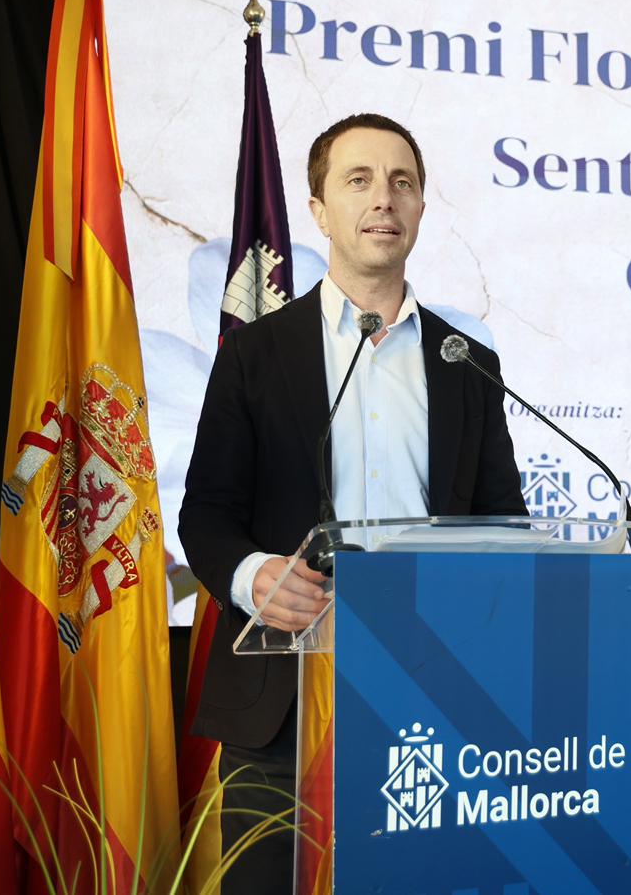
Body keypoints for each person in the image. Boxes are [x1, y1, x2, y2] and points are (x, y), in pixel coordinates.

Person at [178, 112, 528, 894]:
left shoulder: (467, 364)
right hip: (281, 709)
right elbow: (205, 513)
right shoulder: (255, 357)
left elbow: (507, 525)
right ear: (320, 210)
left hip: (437, 692)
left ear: (421, 210)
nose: (384, 199)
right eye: (359, 180)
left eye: (403, 182)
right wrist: (253, 576)